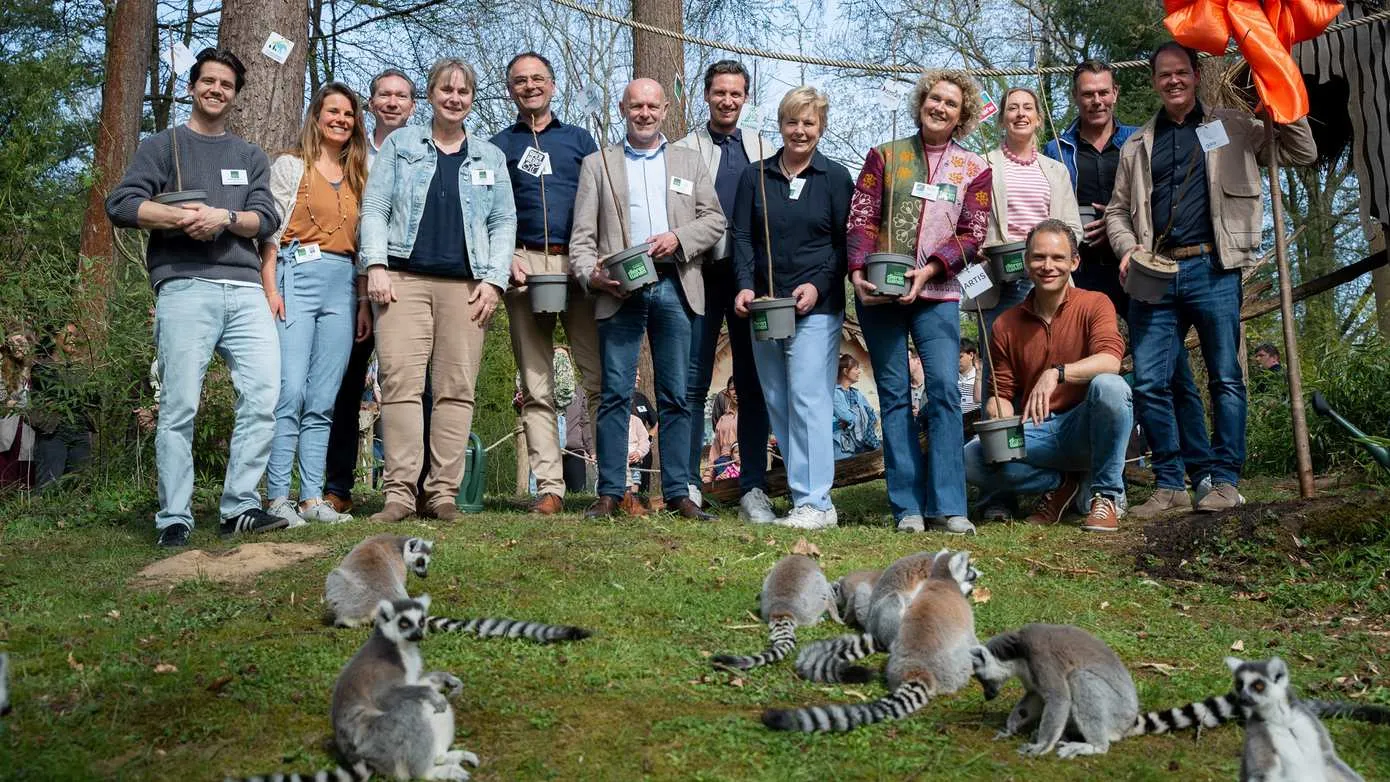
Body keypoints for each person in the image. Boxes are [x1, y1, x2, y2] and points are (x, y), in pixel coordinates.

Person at [1106, 42, 1316, 515]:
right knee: (1150, 383)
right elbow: (1118, 212)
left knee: (1226, 377)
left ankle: (1223, 481)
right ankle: (1170, 483)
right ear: (1154, 81)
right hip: (1156, 272)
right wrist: (1127, 247)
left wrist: (1282, 106)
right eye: (1164, 74)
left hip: (1215, 268)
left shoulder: (1233, 126)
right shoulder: (1138, 144)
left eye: (1181, 72)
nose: (1173, 81)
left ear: (1196, 75)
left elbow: (1301, 151)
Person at [105, 47, 285, 547]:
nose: (216, 90)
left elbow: (265, 218)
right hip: (183, 284)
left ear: (235, 95)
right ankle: (174, 516)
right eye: (208, 81)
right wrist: (183, 217)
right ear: (192, 86)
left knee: (264, 396)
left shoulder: (249, 155)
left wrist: (224, 218)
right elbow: (120, 204)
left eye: (226, 84)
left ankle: (240, 507)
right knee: (179, 405)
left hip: (246, 288)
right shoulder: (164, 146)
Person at [1042, 59, 1214, 517]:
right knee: (1078, 373)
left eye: (1103, 92)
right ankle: (1078, 481)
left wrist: (1118, 231)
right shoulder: (1057, 149)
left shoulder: (1141, 140)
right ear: (1075, 98)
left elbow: (1163, 199)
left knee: (1170, 373)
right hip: (1079, 275)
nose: (1095, 101)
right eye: (1086, 94)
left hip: (1137, 268)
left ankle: (1196, 473)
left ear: (1115, 93)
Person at [359, 57, 515, 522]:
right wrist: (377, 267)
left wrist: (494, 280)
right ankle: (400, 494)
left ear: (471, 99)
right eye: (446, 90)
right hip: (402, 282)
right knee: (400, 386)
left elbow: (504, 220)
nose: (454, 98)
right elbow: (375, 208)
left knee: (456, 389)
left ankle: (443, 493)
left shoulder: (489, 156)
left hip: (467, 288)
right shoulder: (402, 145)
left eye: (463, 92)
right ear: (430, 95)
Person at [570, 78, 726, 521]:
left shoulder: (688, 162)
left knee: (676, 394)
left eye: (652, 106)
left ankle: (679, 492)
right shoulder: (597, 164)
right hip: (620, 290)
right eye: (635, 105)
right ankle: (610, 493)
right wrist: (592, 275)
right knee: (615, 392)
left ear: (664, 110)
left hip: (675, 285)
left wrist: (678, 237)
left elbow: (714, 221)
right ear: (623, 108)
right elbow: (581, 240)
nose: (644, 113)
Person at [847, 69, 992, 535]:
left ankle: (949, 506)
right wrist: (857, 271)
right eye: (934, 98)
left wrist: (931, 268)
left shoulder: (974, 168)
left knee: (946, 393)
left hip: (939, 294)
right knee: (893, 396)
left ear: (962, 114)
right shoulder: (884, 155)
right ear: (921, 103)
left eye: (951, 103)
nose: (940, 107)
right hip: (882, 292)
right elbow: (862, 217)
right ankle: (906, 506)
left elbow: (974, 232)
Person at [732, 85, 852, 530]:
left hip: (816, 307)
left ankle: (817, 502)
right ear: (780, 124)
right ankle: (807, 496)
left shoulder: (835, 178)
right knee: (779, 398)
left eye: (809, 122)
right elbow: (741, 236)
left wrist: (818, 286)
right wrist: (745, 286)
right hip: (767, 305)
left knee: (808, 396)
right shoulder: (755, 176)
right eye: (792, 121)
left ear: (821, 128)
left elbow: (845, 245)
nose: (800, 131)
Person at [964, 219, 1132, 532]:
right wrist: (998, 412)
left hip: (1085, 426)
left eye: (1057, 258)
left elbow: (1110, 361)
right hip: (1037, 430)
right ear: (1026, 262)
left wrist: (1057, 374)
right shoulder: (1005, 323)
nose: (1048, 266)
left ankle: (1106, 495)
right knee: (971, 457)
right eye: (1039, 257)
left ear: (1074, 262)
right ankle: (1061, 483)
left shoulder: (1096, 303)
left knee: (1111, 387)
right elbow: (1001, 392)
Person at [492, 52, 603, 516]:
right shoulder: (498, 146)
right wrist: (507, 257)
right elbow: (489, 211)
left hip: (579, 264)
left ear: (553, 86)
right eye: (520, 80)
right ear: (510, 89)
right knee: (536, 384)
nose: (530, 86)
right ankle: (550, 488)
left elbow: (603, 201)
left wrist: (595, 258)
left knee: (598, 378)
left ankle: (613, 483)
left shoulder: (580, 140)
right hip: (525, 264)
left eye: (538, 79)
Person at [259, 82, 369, 526]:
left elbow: (366, 243)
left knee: (325, 396)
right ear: (317, 117)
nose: (341, 119)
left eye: (348, 114)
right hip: (295, 276)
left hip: (342, 285)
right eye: (333, 112)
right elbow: (269, 232)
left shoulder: (360, 173)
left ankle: (311, 498)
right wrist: (270, 288)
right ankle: (276, 497)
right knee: (290, 392)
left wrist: (362, 301)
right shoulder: (290, 166)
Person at [675, 60, 773, 522]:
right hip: (698, 275)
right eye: (719, 93)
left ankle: (754, 483)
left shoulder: (762, 147)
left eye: (735, 93)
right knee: (692, 383)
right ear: (707, 95)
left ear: (746, 97)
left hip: (748, 279)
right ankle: (685, 483)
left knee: (752, 383)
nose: (727, 101)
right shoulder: (684, 149)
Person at [323, 68, 416, 515]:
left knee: (416, 388)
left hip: (411, 281)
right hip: (355, 281)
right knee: (347, 381)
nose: (393, 102)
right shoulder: (351, 156)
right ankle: (337, 485)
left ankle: (414, 487)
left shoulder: (424, 150)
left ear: (413, 105)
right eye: (384, 95)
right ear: (372, 104)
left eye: (401, 95)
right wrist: (362, 290)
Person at [980, 87, 1082, 342]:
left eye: (1027, 107)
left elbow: (1073, 228)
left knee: (1052, 356)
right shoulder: (982, 164)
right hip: (1000, 280)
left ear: (1038, 118)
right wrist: (980, 248)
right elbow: (967, 220)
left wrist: (1055, 256)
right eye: (1012, 108)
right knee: (999, 363)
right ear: (1002, 118)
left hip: (1049, 279)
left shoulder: (1057, 171)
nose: (1020, 114)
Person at [29, 324, 96, 489]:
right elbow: (60, 396)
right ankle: (42, 514)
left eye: (76, 335)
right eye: (70, 335)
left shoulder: (81, 368)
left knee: (80, 484)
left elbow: (93, 398)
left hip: (79, 429)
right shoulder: (42, 367)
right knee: (49, 485)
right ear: (54, 338)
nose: (75, 339)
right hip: (54, 430)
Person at [833, 354, 880, 459]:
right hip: (841, 446)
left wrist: (855, 417)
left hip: (859, 445)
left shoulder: (857, 393)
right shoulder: (835, 393)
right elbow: (846, 416)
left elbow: (871, 413)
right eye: (856, 369)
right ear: (845, 371)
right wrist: (861, 414)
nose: (859, 372)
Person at [958, 338, 982, 429]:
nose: (956, 360)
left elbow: (979, 399)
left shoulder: (980, 377)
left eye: (960, 357)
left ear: (971, 355)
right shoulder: (951, 379)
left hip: (975, 429)